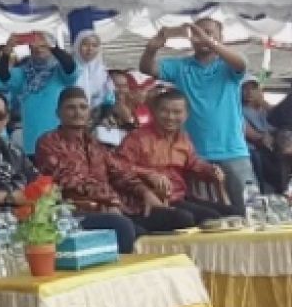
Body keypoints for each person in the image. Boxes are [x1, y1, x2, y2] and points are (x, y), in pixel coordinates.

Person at [0, 91, 135, 252]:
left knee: (131, 227)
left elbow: (42, 183)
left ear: (6, 119)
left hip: (38, 216)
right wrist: (11, 197)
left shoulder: (12, 150)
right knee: (121, 227)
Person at [36, 88, 213, 232]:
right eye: (71, 108)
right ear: (58, 112)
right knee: (129, 229)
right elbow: (70, 180)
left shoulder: (94, 143)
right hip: (77, 210)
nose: (77, 112)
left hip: (120, 207)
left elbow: (119, 170)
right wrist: (111, 201)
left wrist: (145, 192)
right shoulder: (49, 142)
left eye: (83, 107)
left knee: (180, 218)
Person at [140, 19, 253, 210]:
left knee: (248, 210)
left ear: (221, 37)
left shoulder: (227, 66)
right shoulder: (181, 66)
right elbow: (147, 69)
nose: (202, 37)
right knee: (209, 217)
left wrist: (209, 41)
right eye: (198, 34)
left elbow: (241, 63)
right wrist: (151, 49)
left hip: (234, 152)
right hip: (195, 156)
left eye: (209, 33)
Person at [117, 89, 229, 222]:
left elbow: (193, 163)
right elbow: (119, 167)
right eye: (164, 111)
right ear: (154, 112)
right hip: (146, 200)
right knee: (190, 218)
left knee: (231, 213)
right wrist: (149, 174)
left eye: (177, 112)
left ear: (186, 115)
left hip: (178, 196)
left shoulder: (183, 139)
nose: (170, 117)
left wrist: (211, 170)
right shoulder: (137, 138)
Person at [0, 31, 79, 156]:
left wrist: (53, 47)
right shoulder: (24, 73)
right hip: (32, 142)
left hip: (59, 141)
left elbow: (70, 67)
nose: (38, 50)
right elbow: (4, 76)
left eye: (43, 47)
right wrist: (7, 50)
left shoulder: (59, 71)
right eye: (34, 47)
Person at [242, 76, 286, 193]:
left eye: (253, 88)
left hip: (275, 146)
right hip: (256, 148)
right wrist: (264, 138)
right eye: (245, 89)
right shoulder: (240, 110)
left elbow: (282, 118)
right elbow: (250, 133)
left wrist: (263, 103)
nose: (249, 92)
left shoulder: (265, 108)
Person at [73, 31, 116, 118]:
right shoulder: (70, 69)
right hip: (72, 115)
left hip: (96, 116)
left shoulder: (101, 71)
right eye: (85, 44)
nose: (90, 49)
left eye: (94, 45)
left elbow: (108, 97)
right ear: (77, 46)